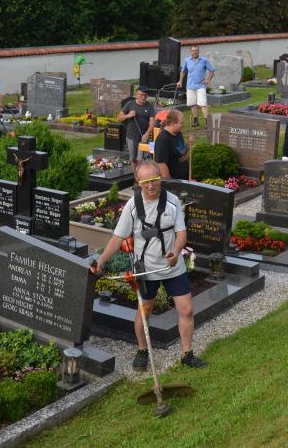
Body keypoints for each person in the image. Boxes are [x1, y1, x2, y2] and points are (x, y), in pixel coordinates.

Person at [90, 161, 206, 370]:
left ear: (160, 177)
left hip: (172, 267)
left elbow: (181, 234)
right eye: (145, 182)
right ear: (138, 182)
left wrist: (177, 251)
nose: (150, 186)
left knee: (186, 310)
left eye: (154, 180)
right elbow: (118, 238)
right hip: (145, 268)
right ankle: (142, 351)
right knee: (144, 312)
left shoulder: (173, 202)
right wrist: (100, 262)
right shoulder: (133, 206)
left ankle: (187, 354)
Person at [118, 89, 156, 174]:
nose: (143, 97)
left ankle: (142, 177)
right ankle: (136, 178)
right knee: (133, 159)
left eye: (145, 95)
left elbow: (152, 122)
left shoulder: (149, 106)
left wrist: (147, 134)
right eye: (141, 95)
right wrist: (129, 115)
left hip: (143, 138)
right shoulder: (130, 104)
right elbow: (119, 117)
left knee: (141, 159)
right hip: (131, 136)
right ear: (136, 94)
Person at [177, 45, 215, 127]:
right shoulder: (187, 60)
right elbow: (183, 71)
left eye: (196, 50)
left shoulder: (204, 60)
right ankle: (195, 121)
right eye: (193, 50)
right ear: (190, 52)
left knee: (203, 104)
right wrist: (180, 81)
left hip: (201, 85)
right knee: (193, 104)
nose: (195, 52)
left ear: (198, 51)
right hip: (190, 86)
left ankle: (207, 122)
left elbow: (212, 70)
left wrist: (208, 79)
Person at [153, 109, 190, 179]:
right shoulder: (163, 139)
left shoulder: (178, 133)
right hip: (175, 181)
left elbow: (181, 151)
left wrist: (188, 144)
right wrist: (171, 184)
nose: (183, 125)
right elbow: (161, 164)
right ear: (172, 123)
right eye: (181, 123)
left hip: (185, 178)